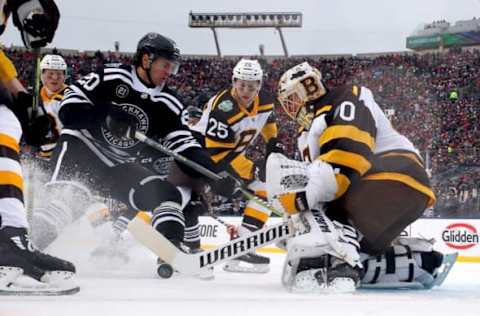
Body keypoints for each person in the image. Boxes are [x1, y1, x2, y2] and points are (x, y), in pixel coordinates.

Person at [29, 32, 232, 274]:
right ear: (146, 60)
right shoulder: (111, 76)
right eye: (166, 65)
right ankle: (21, 254)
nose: (170, 72)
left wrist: (214, 173)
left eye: (173, 66)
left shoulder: (169, 102)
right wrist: (105, 116)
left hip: (118, 165)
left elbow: (185, 146)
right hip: (81, 150)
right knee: (68, 202)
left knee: (166, 195)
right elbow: (68, 110)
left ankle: (171, 252)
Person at [268, 62, 445, 292]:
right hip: (404, 187)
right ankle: (420, 261)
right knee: (365, 250)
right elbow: (325, 176)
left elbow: (345, 158)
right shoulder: (312, 128)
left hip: (392, 176)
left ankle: (341, 267)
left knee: (326, 216)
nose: (291, 108)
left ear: (304, 90)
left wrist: (301, 201)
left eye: (292, 99)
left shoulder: (346, 97)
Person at [0, 0, 78, 295]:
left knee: (6, 121)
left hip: (50, 158)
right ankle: (10, 240)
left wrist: (19, 95)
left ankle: (11, 238)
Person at [191, 59, 284, 273]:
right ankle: (187, 243)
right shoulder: (223, 107)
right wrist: (252, 169)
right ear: (233, 81)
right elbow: (218, 152)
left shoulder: (266, 100)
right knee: (191, 198)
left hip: (226, 156)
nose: (246, 90)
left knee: (263, 189)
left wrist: (272, 143)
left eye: (251, 86)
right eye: (241, 84)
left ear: (259, 85)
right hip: (203, 156)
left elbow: (268, 122)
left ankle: (243, 245)